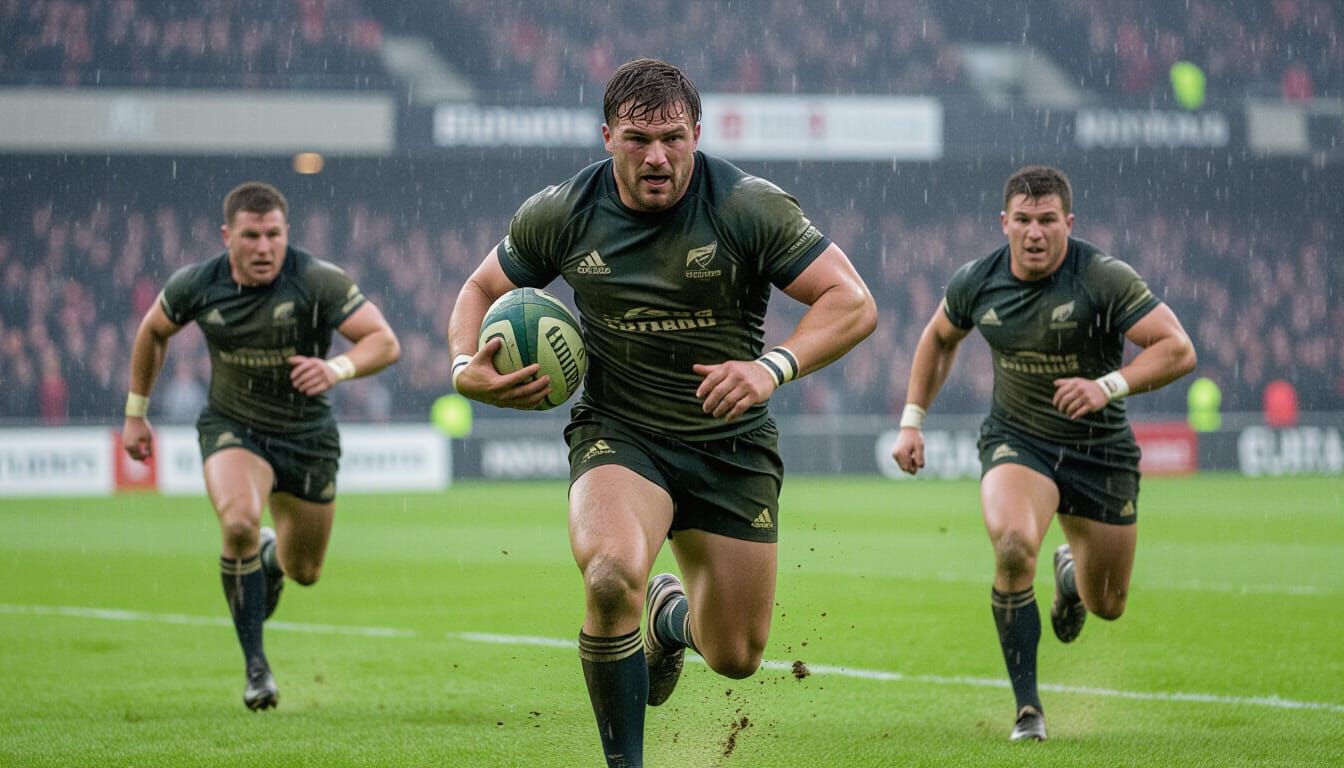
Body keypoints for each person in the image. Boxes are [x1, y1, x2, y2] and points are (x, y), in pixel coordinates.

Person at [448, 58, 877, 767]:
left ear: (697, 134)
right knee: (610, 574)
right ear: (607, 137)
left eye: (674, 139)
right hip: (621, 433)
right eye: (638, 139)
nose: (657, 156)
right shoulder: (562, 212)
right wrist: (465, 366)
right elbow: (479, 287)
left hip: (729, 443)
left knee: (736, 655)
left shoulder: (746, 206)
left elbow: (853, 302)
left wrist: (771, 367)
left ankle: (669, 619)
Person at [890, 165, 1197, 741]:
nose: (1035, 232)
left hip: (1099, 450)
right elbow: (938, 337)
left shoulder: (1102, 276)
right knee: (1011, 546)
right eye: (1024, 220)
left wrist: (1107, 385)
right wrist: (912, 421)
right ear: (1004, 223)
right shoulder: (976, 280)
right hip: (1019, 440)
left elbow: (1178, 349)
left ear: (1068, 223)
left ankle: (1072, 577)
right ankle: (1028, 710)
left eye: (1048, 220)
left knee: (1108, 604)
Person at [121, 182, 400, 710]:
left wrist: (336, 368)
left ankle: (270, 560)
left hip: (307, 437)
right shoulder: (197, 283)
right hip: (234, 427)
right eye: (251, 236)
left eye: (274, 234)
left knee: (305, 571)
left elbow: (384, 342)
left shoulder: (315, 278)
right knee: (238, 524)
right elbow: (153, 330)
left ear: (286, 232)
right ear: (227, 236)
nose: (264, 247)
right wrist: (136, 413)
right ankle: (256, 668)